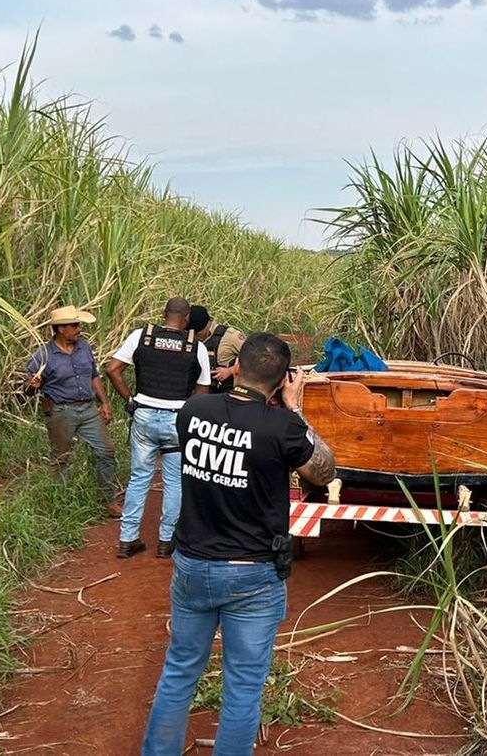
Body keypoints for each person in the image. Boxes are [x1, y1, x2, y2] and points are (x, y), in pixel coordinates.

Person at [141, 333, 335, 756]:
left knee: (178, 672)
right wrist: (295, 404)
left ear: (238, 367)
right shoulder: (282, 427)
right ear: (284, 378)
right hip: (253, 574)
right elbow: (323, 470)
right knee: (243, 685)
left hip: (192, 565)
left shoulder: (194, 411)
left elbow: (224, 422)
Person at [106, 297, 211, 559]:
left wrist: (130, 399)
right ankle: (166, 542)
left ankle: (127, 539)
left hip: (143, 416)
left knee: (139, 478)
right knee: (174, 482)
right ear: (187, 319)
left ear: (163, 314)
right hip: (177, 419)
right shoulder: (195, 347)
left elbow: (113, 369)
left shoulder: (142, 336)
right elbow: (202, 391)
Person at [24, 305, 120, 517]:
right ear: (60, 329)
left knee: (106, 451)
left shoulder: (84, 347)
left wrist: (104, 402)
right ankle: (62, 503)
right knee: (61, 459)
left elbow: (93, 376)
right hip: (60, 411)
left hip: (87, 408)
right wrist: (32, 384)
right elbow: (28, 390)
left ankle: (108, 500)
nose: (78, 329)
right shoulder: (43, 355)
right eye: (74, 325)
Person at [187, 305, 247, 394]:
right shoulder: (188, 334)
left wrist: (230, 370)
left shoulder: (230, 336)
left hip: (225, 391)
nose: (193, 335)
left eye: (196, 333)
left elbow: (255, 358)